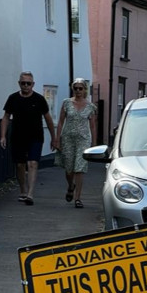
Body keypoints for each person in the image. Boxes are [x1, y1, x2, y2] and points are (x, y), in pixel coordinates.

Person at [0, 72, 56, 205]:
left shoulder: (39, 99)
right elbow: (6, 117)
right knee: (20, 164)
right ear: (19, 83)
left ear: (33, 84)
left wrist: (54, 138)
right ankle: (23, 190)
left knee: (33, 163)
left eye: (28, 83)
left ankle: (30, 194)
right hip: (18, 136)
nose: (25, 86)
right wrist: (2, 136)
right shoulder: (13, 98)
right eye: (23, 83)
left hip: (35, 136)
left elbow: (48, 119)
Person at [54, 78, 97, 208]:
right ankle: (70, 185)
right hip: (67, 138)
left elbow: (93, 126)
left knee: (80, 168)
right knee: (69, 169)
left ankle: (78, 198)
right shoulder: (66, 103)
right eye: (76, 88)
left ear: (85, 90)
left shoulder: (90, 107)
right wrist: (57, 139)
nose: (78, 91)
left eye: (80, 88)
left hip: (83, 140)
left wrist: (94, 145)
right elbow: (61, 121)